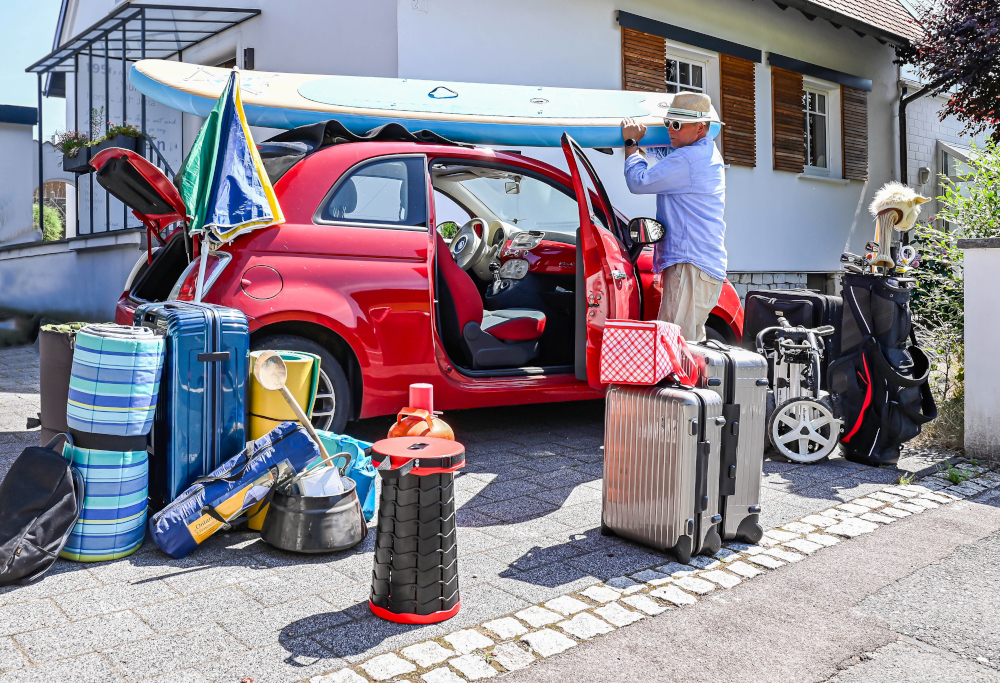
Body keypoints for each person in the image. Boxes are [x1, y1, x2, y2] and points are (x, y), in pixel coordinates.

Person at [621, 92, 727, 342]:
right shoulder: (701, 152)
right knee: (690, 348)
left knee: (673, 348)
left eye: (677, 125)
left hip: (690, 266)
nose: (670, 130)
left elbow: (639, 181)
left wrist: (630, 145)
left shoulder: (689, 158)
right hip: (699, 266)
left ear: (701, 127)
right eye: (668, 123)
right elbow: (664, 155)